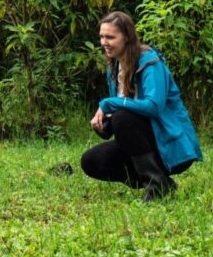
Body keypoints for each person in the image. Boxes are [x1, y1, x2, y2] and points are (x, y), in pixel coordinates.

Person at [81, 10, 202, 200]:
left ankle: (156, 185)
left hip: (168, 141)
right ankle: (163, 182)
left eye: (110, 37)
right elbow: (126, 115)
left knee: (121, 116)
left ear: (127, 37)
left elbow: (153, 107)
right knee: (91, 161)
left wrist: (108, 104)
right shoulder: (114, 67)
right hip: (142, 141)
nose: (104, 42)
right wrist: (105, 124)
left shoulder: (149, 61)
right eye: (102, 37)